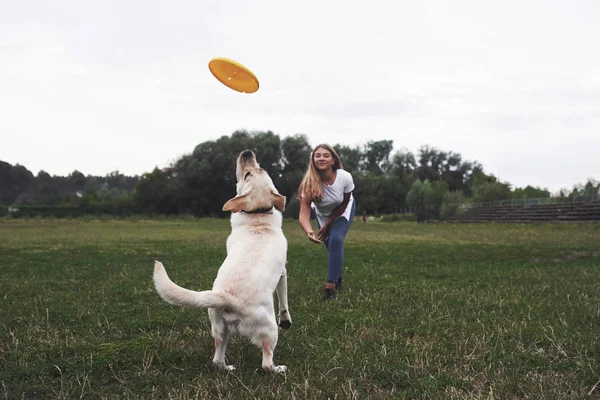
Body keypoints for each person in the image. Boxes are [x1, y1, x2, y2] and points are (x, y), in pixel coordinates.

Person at [297, 144, 356, 302]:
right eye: (317, 155)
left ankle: (330, 289)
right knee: (331, 246)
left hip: (343, 210)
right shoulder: (308, 184)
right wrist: (308, 230)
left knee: (336, 239)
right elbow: (303, 213)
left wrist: (329, 223)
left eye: (325, 155)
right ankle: (338, 274)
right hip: (322, 214)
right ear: (313, 160)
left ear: (333, 160)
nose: (321, 158)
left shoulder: (344, 177)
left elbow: (343, 203)